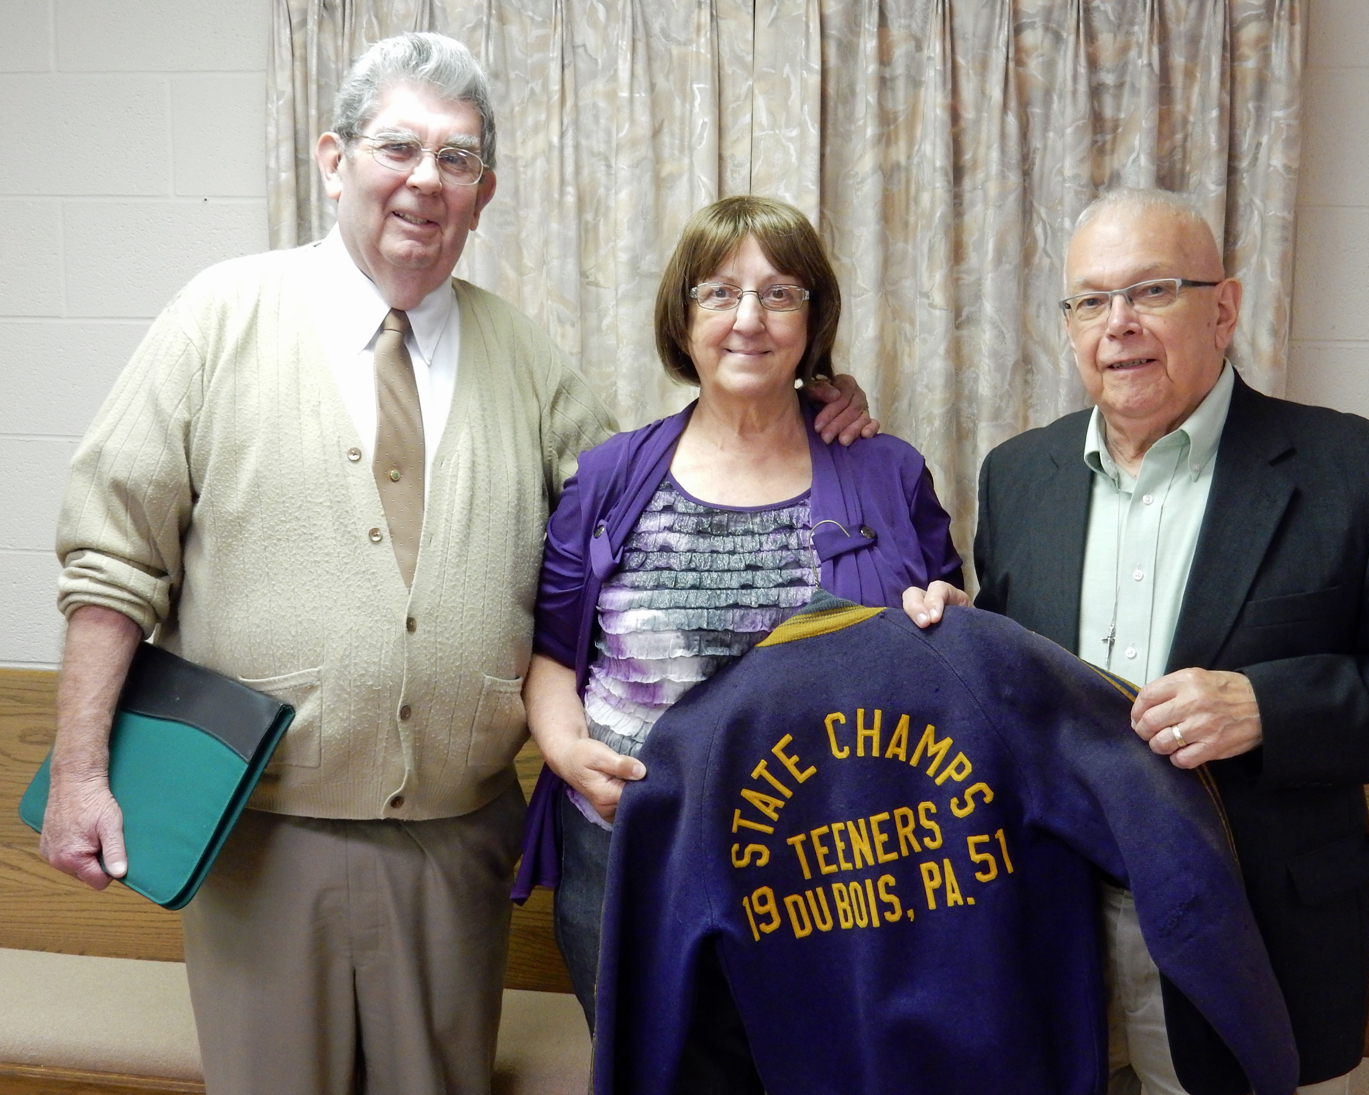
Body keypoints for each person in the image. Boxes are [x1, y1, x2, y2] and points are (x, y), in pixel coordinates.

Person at [38, 35, 871, 1095]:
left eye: (459, 159)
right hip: (258, 836)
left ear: (484, 193)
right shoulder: (219, 318)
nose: (426, 181)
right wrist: (78, 775)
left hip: (455, 843)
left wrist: (798, 407)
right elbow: (112, 560)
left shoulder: (525, 355)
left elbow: (650, 513)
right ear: (335, 159)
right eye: (400, 147)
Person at [917, 188, 1369, 1094]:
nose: (1119, 325)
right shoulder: (1019, 474)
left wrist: (1269, 707)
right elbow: (1015, 686)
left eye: (1153, 291)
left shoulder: (1363, 472)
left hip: (1255, 927)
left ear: (1223, 308)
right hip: (1052, 922)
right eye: (1091, 301)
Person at [516, 195, 963, 1040]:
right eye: (718, 293)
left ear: (813, 317)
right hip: (627, 855)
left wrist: (952, 616)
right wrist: (570, 753)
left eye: (779, 292)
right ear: (683, 318)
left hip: (829, 866)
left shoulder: (887, 473)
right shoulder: (611, 475)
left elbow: (951, 641)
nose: (748, 318)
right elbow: (553, 655)